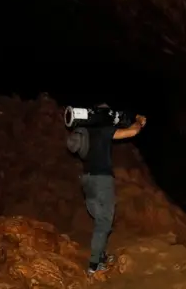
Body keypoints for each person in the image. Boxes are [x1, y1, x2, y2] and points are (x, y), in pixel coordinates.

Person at [67, 105, 147, 275]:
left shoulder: (85, 131)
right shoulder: (102, 130)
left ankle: (100, 255)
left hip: (87, 180)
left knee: (100, 220)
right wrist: (139, 121)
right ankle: (94, 264)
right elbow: (131, 132)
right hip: (102, 179)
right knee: (104, 221)